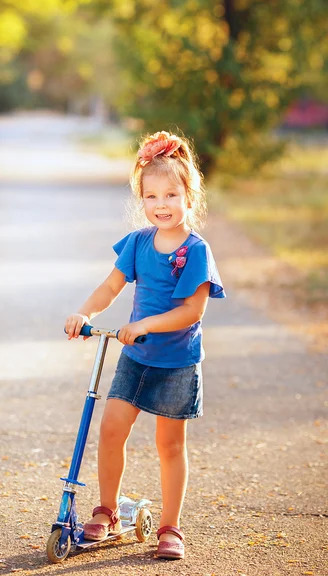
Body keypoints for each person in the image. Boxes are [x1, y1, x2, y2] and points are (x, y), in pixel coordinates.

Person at [65, 130, 225, 560]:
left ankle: (171, 527)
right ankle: (107, 510)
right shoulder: (138, 243)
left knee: (169, 445)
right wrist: (86, 314)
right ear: (142, 200)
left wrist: (147, 323)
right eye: (151, 196)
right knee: (111, 429)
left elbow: (193, 311)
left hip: (176, 362)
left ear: (189, 197)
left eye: (171, 194)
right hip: (136, 358)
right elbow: (110, 286)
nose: (161, 205)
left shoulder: (196, 250)